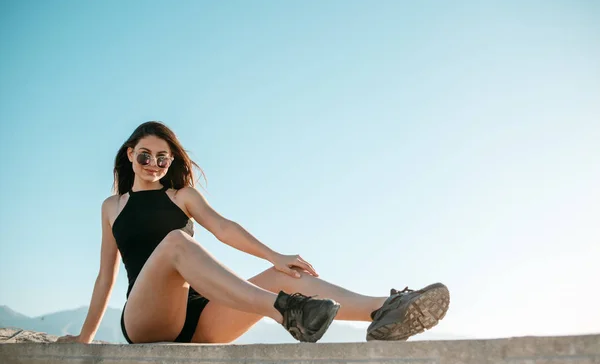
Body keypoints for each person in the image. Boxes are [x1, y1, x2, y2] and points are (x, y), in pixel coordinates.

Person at [56, 121, 450, 345]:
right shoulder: (113, 208)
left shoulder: (182, 197)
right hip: (148, 320)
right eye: (145, 155)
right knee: (176, 242)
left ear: (171, 160)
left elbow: (224, 228)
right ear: (130, 154)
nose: (154, 163)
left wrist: (274, 257)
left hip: (202, 320)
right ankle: (285, 309)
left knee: (286, 276)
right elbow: (106, 277)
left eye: (163, 157)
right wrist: (84, 339)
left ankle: (384, 310)